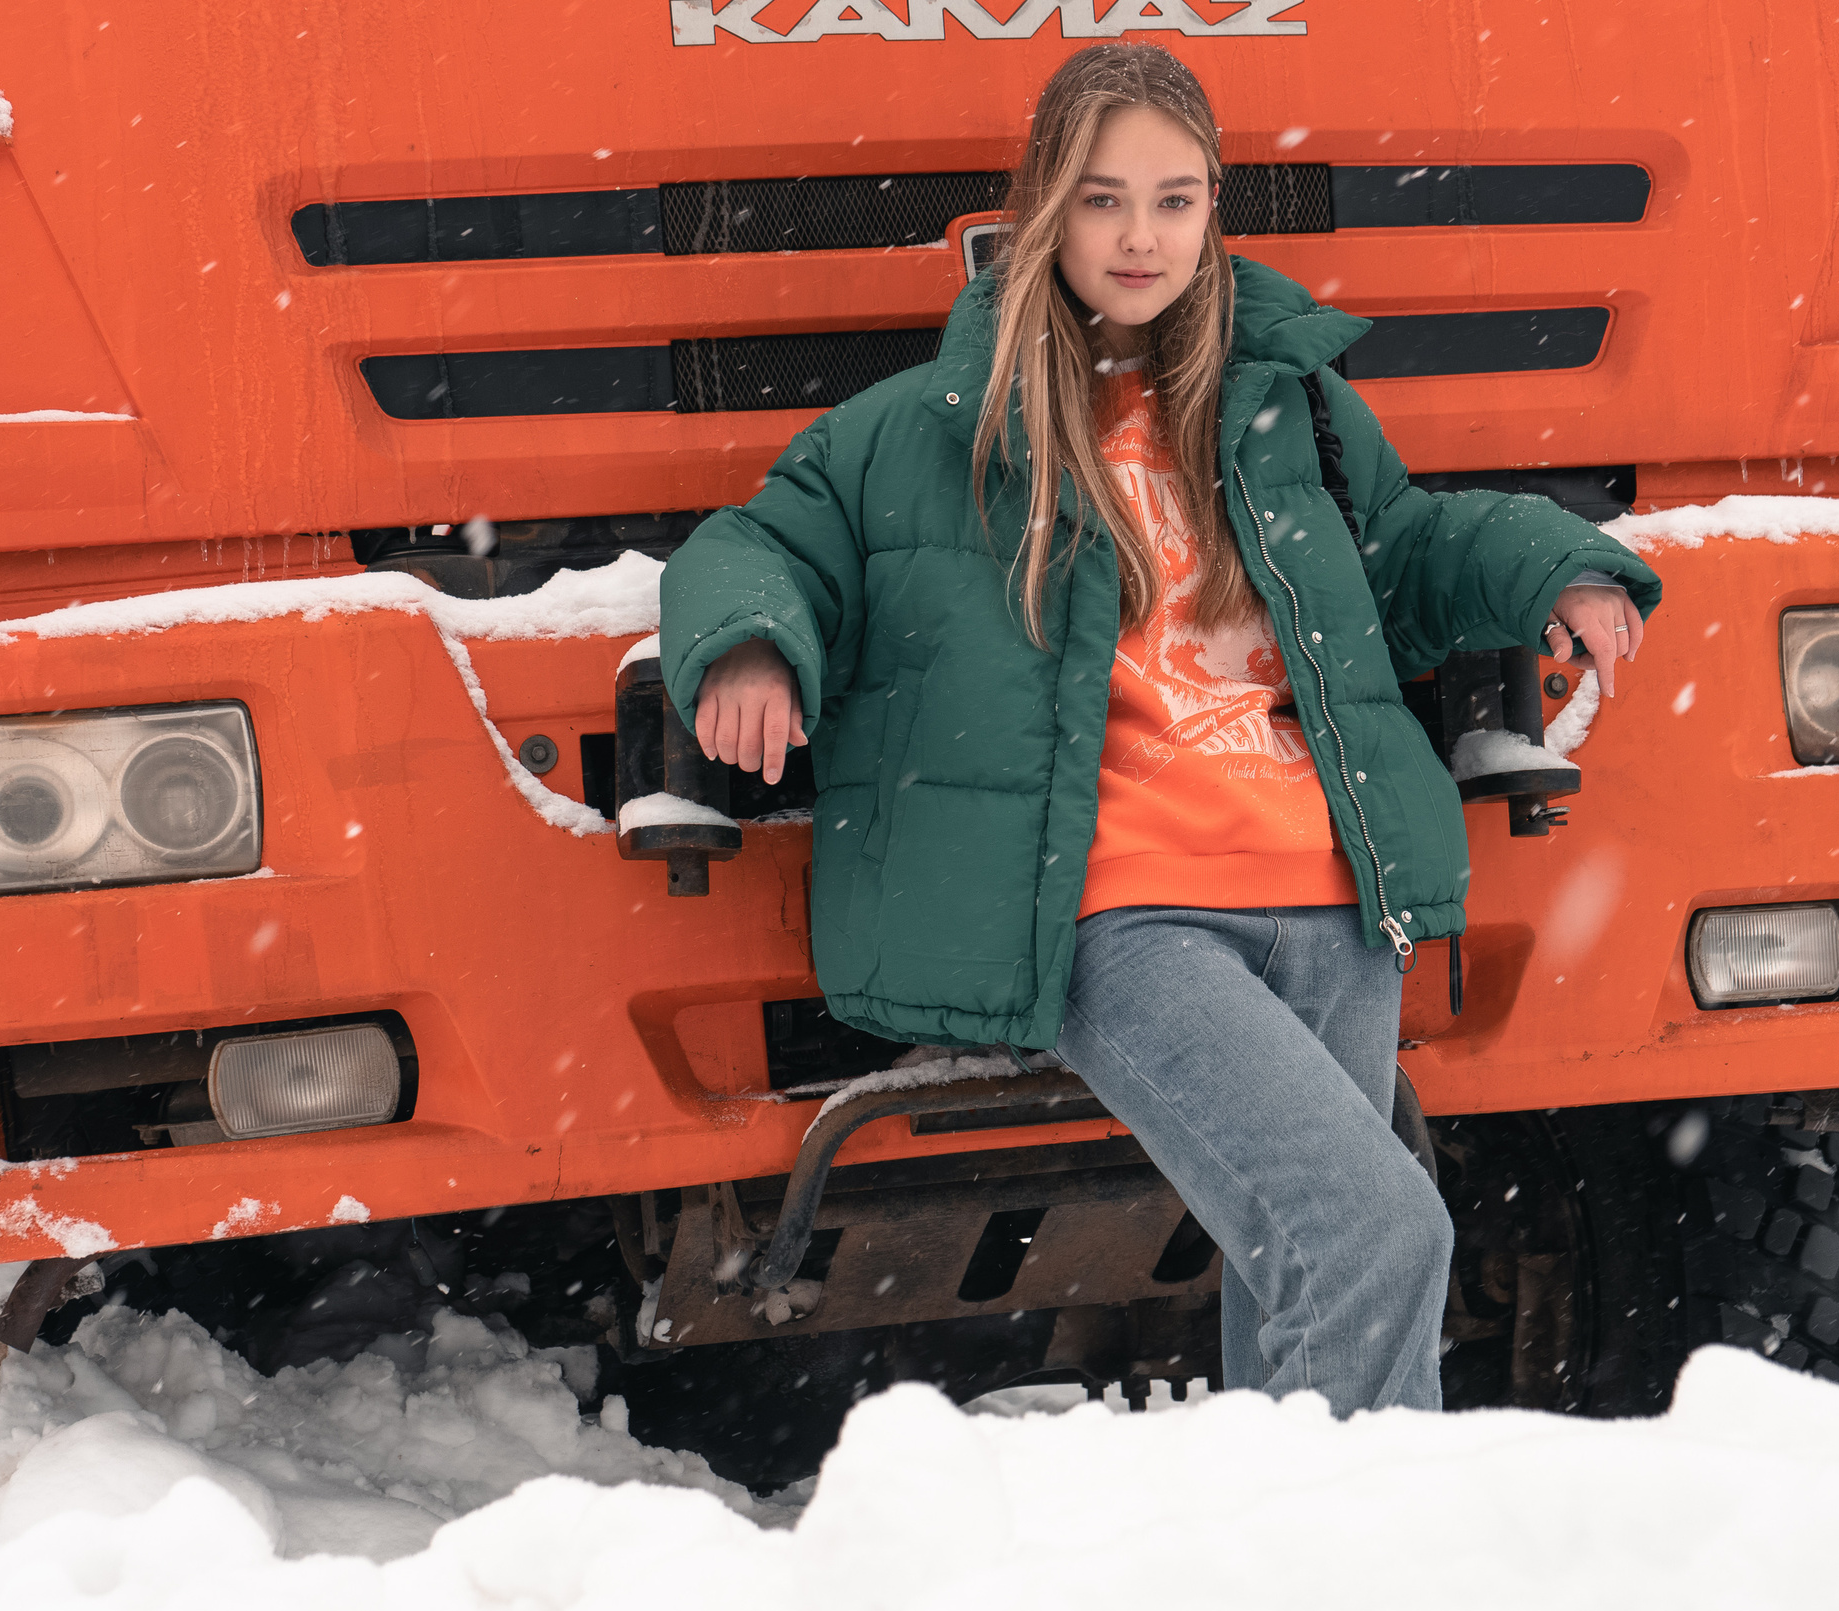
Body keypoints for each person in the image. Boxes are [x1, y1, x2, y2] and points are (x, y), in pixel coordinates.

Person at [661, 43, 1660, 1416]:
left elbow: (1412, 550)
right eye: (1104, 199)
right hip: (1129, 916)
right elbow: (761, 542)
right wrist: (754, 644)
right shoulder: (929, 429)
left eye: (1177, 200)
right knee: (1376, 1230)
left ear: (1213, 213)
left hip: (1336, 898)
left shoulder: (1285, 408)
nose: (1142, 236)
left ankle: (1283, 1596)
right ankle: (1369, 1580)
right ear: (1044, 210)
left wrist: (1560, 565)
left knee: (1297, 1257)